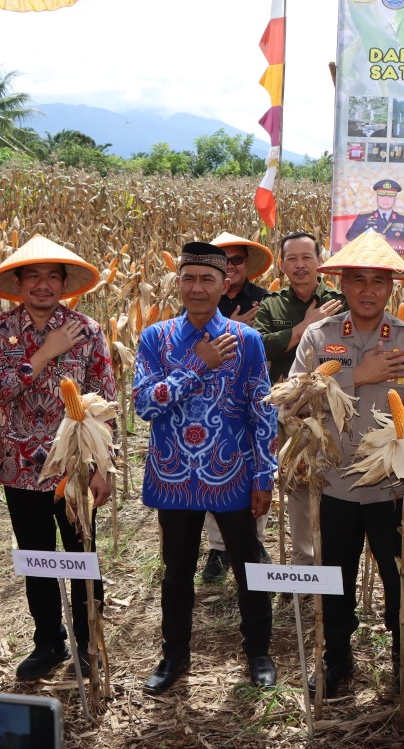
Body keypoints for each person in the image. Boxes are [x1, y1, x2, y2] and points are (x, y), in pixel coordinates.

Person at [292, 230, 404, 699]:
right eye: (359, 280)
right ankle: (337, 658)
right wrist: (359, 375)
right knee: (333, 578)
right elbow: (292, 403)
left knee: (402, 578)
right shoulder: (319, 338)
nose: (368, 290)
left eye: (379, 281)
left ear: (391, 287)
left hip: (393, 489)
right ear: (344, 284)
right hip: (335, 485)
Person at [134, 242, 277, 694]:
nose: (197, 288)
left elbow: (263, 410)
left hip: (232, 472)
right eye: (189, 278)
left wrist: (264, 475)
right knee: (176, 570)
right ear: (178, 282)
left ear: (224, 285)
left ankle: (258, 651)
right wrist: (198, 364)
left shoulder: (247, 340)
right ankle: (173, 655)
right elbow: (143, 403)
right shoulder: (155, 338)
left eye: (207, 279)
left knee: (248, 565)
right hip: (174, 474)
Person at [0, 236, 115, 680]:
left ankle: (89, 641)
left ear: (63, 283)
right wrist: (43, 353)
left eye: (51, 276)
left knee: (82, 555)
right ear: (18, 283)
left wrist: (103, 466)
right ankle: (48, 642)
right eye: (32, 276)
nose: (42, 284)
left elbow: (106, 400)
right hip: (20, 465)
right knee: (36, 558)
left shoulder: (88, 330)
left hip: (76, 465)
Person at [251, 231, 345, 569]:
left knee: (339, 482)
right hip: (290, 413)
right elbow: (259, 345)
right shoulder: (272, 304)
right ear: (282, 263)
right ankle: (305, 562)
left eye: (307, 257)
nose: (300, 265)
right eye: (292, 258)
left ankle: (334, 559)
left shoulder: (341, 300)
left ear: (320, 261)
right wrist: (306, 327)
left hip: (338, 409)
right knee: (298, 484)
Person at [198, 232, 275, 582]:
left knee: (256, 469)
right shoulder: (202, 302)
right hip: (210, 402)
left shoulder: (266, 300)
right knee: (214, 469)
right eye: (224, 260)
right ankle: (218, 547)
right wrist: (235, 330)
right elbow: (187, 346)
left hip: (253, 398)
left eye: (237, 260)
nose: (232, 266)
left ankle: (254, 541)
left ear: (246, 265)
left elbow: (274, 344)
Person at [345, 179, 404, 247]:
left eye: (390, 196)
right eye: (382, 195)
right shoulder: (364, 217)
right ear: (376, 198)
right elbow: (350, 236)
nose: (385, 199)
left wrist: (387, 239)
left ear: (395, 199)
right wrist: (370, 237)